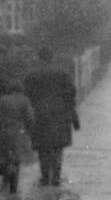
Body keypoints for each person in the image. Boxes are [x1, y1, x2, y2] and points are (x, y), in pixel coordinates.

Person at [23, 47, 80, 186]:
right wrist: (69, 108)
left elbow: (27, 94)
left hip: (40, 114)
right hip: (59, 114)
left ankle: (45, 176)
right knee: (57, 146)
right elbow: (71, 92)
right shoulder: (62, 73)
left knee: (43, 147)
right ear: (52, 57)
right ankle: (56, 176)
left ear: (39, 57)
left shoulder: (31, 75)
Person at [0, 85, 35, 194]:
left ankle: (5, 183)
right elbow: (30, 117)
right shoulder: (25, 100)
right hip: (19, 132)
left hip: (5, 131)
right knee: (17, 158)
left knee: (6, 156)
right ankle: (13, 187)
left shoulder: (3, 99)